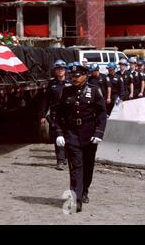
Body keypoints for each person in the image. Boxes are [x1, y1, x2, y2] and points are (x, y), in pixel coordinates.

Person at [54, 62, 107, 213]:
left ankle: (84, 191)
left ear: (85, 76)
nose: (74, 79)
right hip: (72, 134)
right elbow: (59, 115)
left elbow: (102, 114)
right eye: (72, 76)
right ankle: (76, 199)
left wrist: (99, 133)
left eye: (78, 76)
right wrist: (59, 133)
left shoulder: (94, 90)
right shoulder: (66, 91)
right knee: (75, 167)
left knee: (88, 166)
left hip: (89, 134)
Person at [40, 59, 71, 170]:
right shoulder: (51, 84)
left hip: (69, 114)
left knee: (69, 137)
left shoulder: (71, 83)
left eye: (62, 69)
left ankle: (67, 157)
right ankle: (60, 160)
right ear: (55, 71)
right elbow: (46, 101)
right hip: (56, 115)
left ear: (65, 70)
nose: (60, 71)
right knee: (58, 137)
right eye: (58, 69)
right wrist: (43, 115)